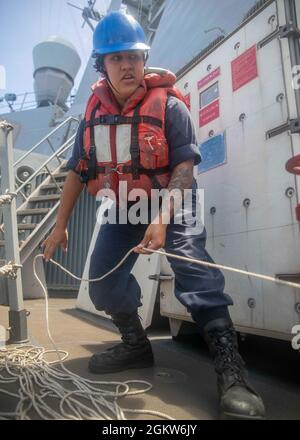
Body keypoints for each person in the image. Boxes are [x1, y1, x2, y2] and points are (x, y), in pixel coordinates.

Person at [42, 11, 265, 420]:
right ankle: (135, 344)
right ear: (102, 66)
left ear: (144, 60)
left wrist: (161, 219)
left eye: (134, 56)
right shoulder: (91, 117)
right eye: (116, 58)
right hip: (126, 205)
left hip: (174, 200)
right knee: (103, 284)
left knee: (192, 268)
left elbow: (183, 169)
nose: (127, 65)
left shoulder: (169, 108)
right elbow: (77, 173)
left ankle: (232, 371)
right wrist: (59, 228)